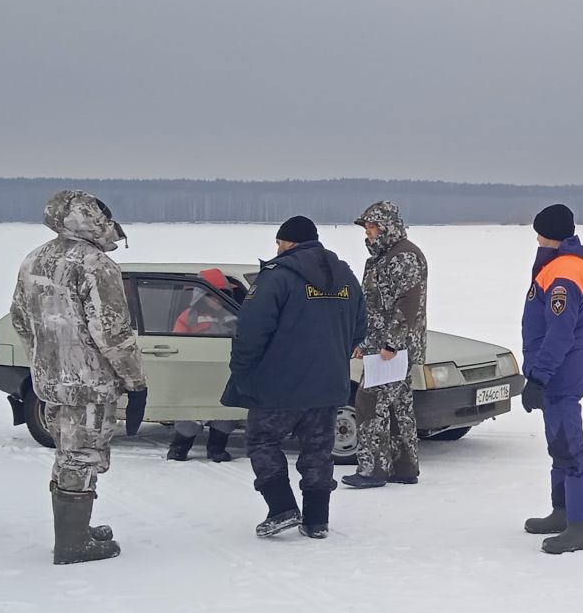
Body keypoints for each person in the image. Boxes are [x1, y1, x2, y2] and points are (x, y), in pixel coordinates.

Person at [10, 190, 146, 565]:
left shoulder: (34, 260)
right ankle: (72, 543)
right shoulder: (95, 264)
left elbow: (21, 321)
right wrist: (135, 381)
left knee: (66, 454)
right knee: (82, 456)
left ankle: (77, 530)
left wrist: (45, 362)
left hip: (51, 383)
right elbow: (113, 333)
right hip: (89, 384)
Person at [221, 216, 366, 538]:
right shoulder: (346, 277)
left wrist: (242, 370)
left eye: (278, 242)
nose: (276, 248)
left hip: (278, 383)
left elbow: (250, 330)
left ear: (288, 242)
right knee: (318, 449)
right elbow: (360, 327)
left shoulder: (277, 276)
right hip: (329, 384)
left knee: (262, 440)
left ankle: (282, 508)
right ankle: (317, 520)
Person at [519, 204, 583, 554]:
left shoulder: (565, 271)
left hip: (560, 372)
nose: (536, 237)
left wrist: (538, 377)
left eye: (539, 231)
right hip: (559, 370)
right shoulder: (562, 265)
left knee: (570, 446)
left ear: (550, 233)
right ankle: (563, 511)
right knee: (559, 446)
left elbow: (560, 333)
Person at [345, 200, 427, 489]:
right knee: (398, 405)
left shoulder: (403, 257)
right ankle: (404, 467)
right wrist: (363, 340)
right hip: (384, 345)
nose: (368, 232)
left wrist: (391, 344)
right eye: (366, 227)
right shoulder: (383, 257)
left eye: (373, 226)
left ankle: (372, 469)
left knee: (370, 403)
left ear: (388, 227)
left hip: (392, 349)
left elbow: (408, 303)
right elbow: (375, 306)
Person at [167, 270, 239, 461]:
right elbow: (178, 342)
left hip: (225, 370)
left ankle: (216, 447)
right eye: (213, 295)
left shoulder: (233, 314)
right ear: (202, 296)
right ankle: (179, 447)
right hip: (196, 372)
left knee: (225, 413)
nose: (218, 300)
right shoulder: (188, 317)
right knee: (190, 412)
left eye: (222, 294)